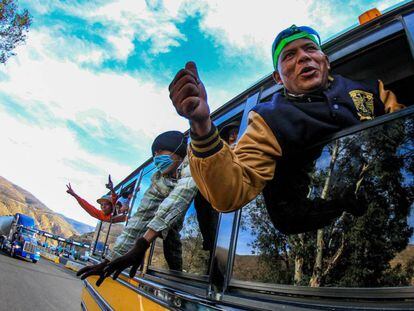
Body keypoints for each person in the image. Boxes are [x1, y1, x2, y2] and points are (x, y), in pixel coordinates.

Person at [168, 25, 406, 234]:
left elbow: (402, 132)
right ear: (278, 78)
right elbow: (231, 190)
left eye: (310, 48)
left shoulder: (371, 89)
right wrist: (201, 125)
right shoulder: (269, 118)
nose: (304, 57)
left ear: (326, 60)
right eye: (289, 55)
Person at [76, 131, 198, 286]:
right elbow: (138, 222)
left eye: (160, 151)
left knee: (172, 235)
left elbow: (178, 199)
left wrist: (142, 245)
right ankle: (176, 273)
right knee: (169, 234)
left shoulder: (196, 163)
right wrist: (107, 261)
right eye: (154, 154)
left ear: (179, 152)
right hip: (169, 236)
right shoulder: (159, 181)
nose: (156, 157)